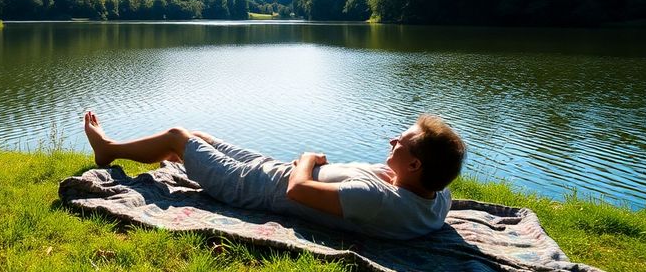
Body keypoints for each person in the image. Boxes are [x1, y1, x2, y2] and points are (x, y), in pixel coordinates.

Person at [82, 111, 466, 240]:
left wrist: (308, 157)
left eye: (404, 141)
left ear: (415, 165)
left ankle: (108, 148)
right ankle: (167, 156)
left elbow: (296, 190)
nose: (394, 139)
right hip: (268, 170)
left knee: (178, 137)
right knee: (197, 138)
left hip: (252, 186)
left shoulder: (376, 198)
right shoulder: (436, 199)